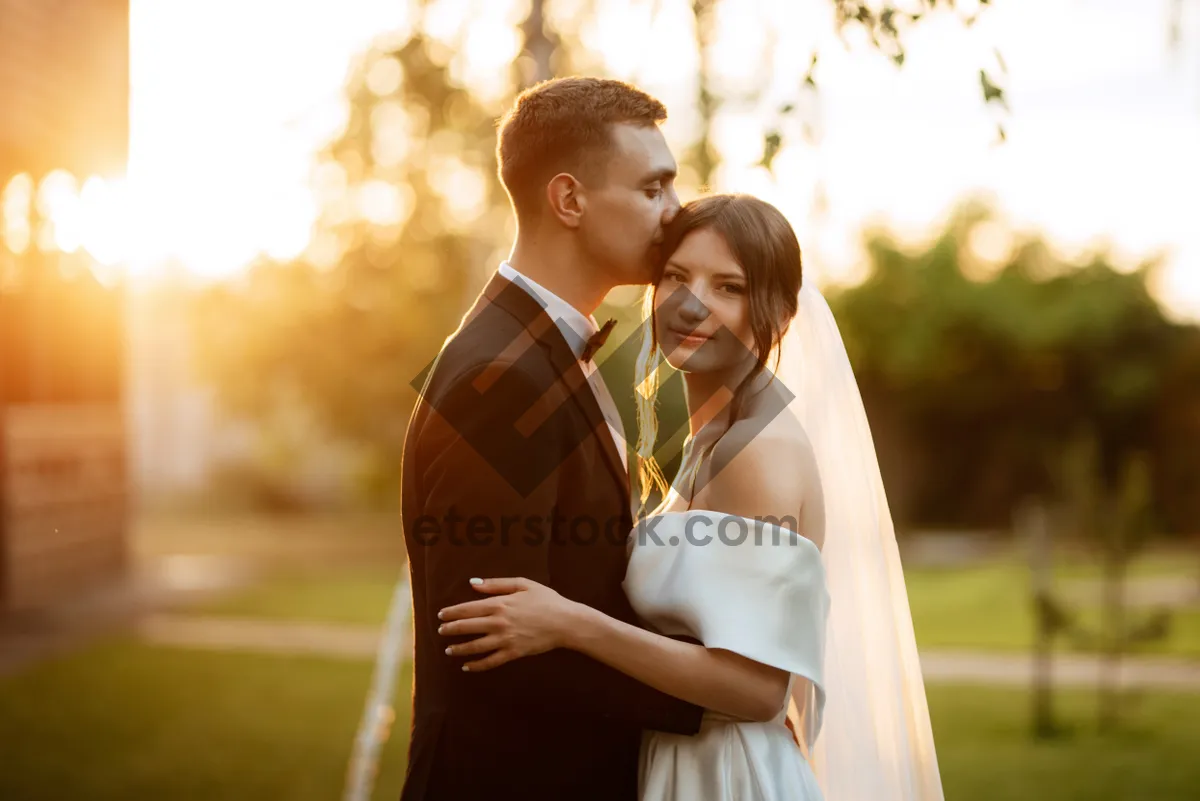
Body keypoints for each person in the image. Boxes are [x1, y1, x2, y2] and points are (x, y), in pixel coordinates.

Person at [436, 194, 946, 800]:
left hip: (726, 777)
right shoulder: (716, 431)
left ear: (779, 315)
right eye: (676, 276)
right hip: (680, 760)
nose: (690, 302)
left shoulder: (759, 451)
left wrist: (569, 623)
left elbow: (756, 689)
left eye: (728, 287)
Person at [398, 76, 708, 801]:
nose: (676, 213)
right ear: (569, 200)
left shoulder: (538, 351)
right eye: (653, 188)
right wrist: (713, 695)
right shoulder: (501, 377)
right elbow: (491, 643)